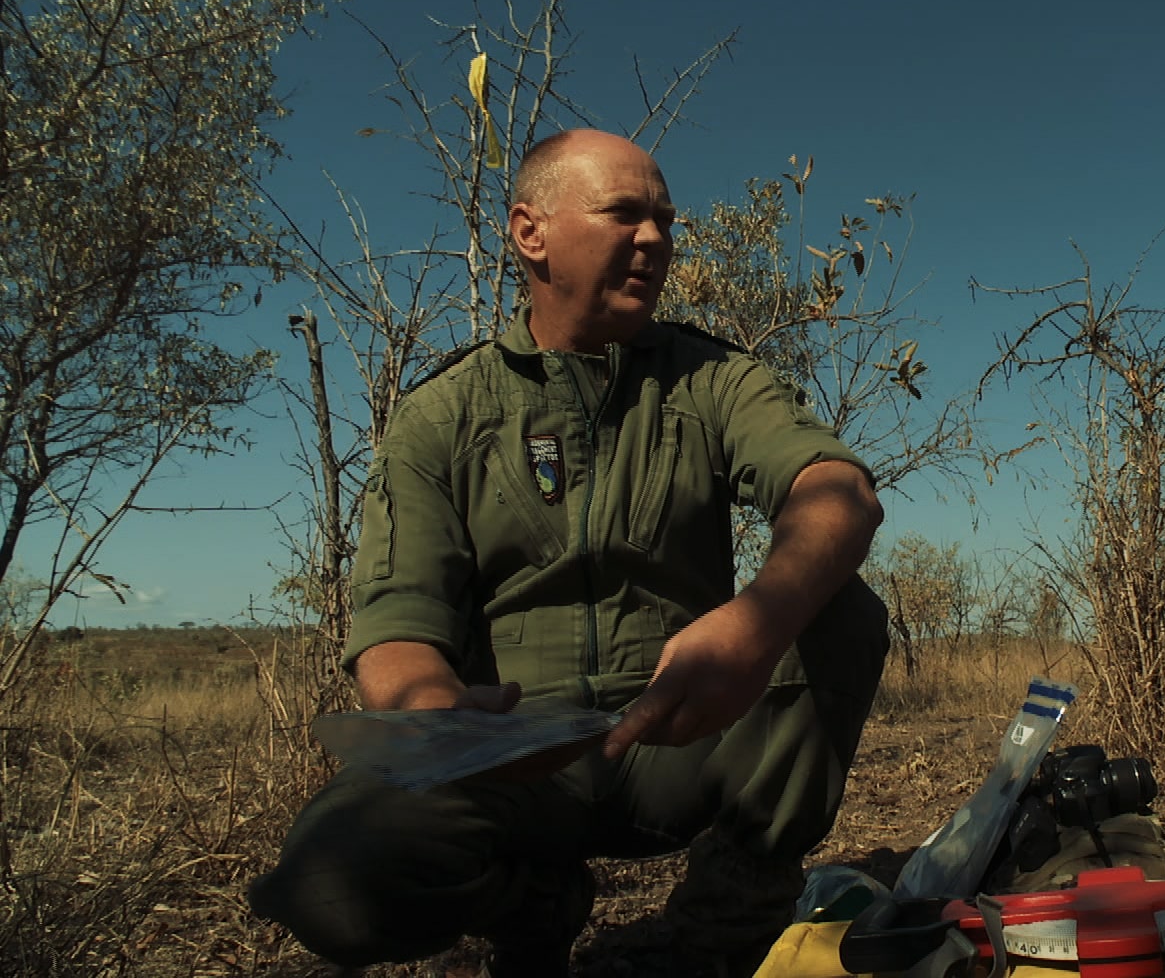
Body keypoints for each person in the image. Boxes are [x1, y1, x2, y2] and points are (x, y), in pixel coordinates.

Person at [247, 128, 890, 977]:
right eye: (625, 213)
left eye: (665, 220)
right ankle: (537, 909)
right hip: (514, 762)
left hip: (679, 737)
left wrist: (752, 628)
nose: (655, 239)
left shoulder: (714, 380)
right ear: (530, 232)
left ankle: (724, 921)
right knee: (328, 885)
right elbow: (398, 619)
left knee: (838, 606)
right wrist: (440, 715)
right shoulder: (442, 413)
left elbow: (838, 492)